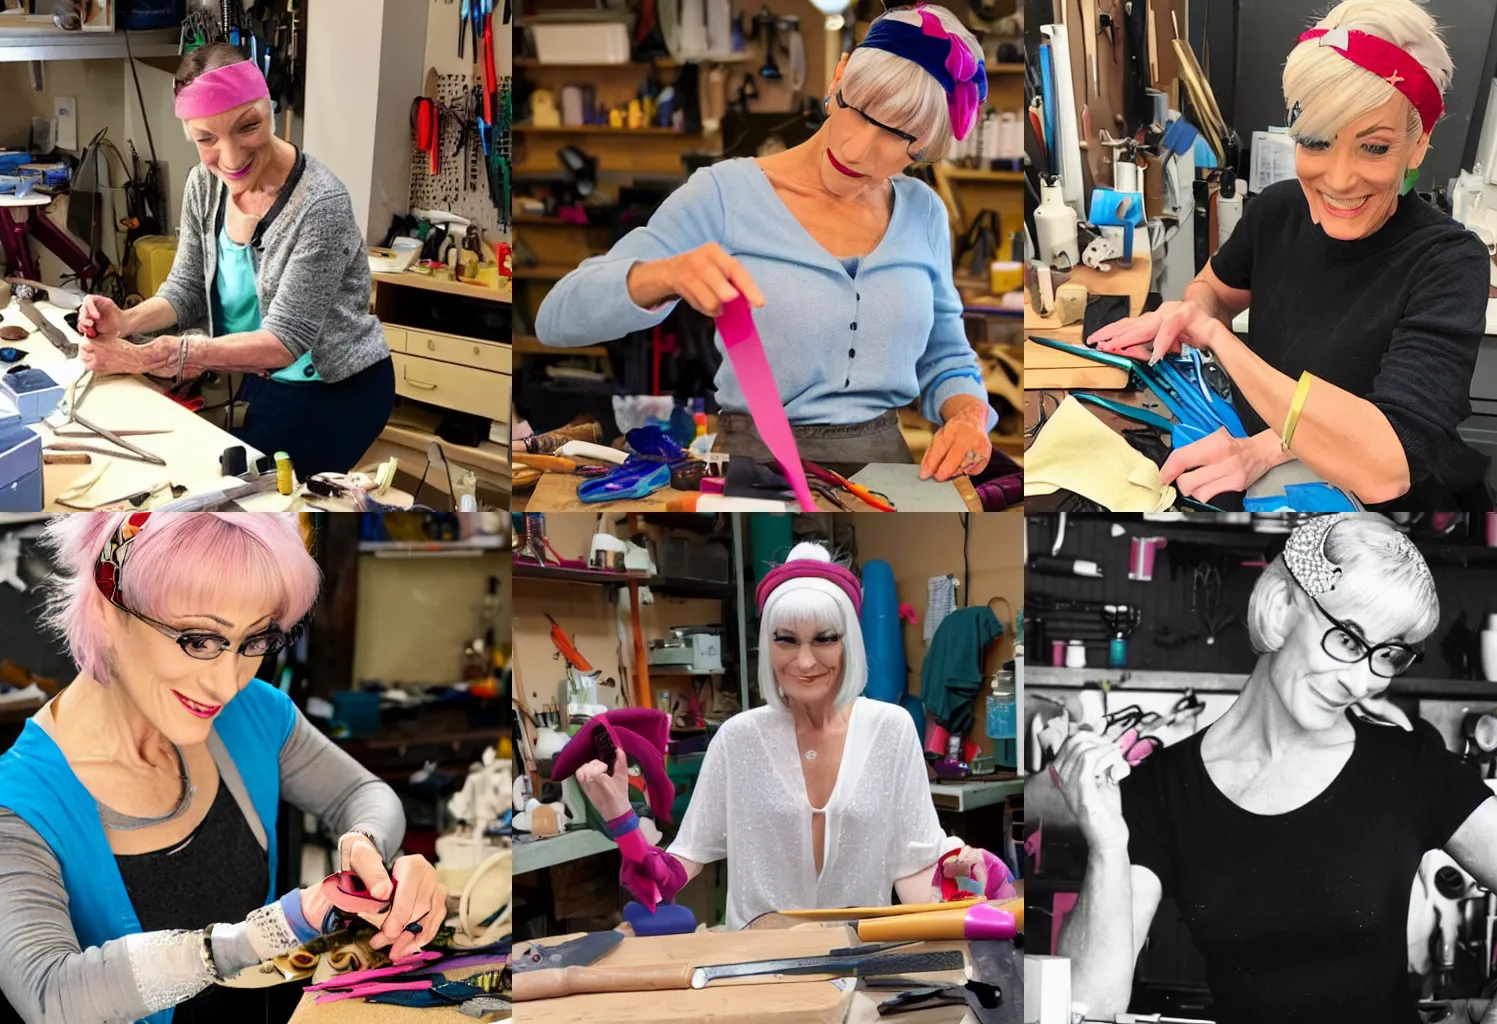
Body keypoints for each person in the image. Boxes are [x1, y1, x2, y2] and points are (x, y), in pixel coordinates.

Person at [1053, 514, 1497, 1024]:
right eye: (1349, 640)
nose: (1361, 681)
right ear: (1283, 607)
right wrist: (1107, 847)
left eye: (1387, 655)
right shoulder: (1164, 789)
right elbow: (1089, 1005)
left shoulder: (1411, 770)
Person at [0, 513, 448, 1024]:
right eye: (197, 640)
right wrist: (268, 932)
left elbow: (361, 794)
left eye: (254, 642)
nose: (226, 683)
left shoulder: (255, 713)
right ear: (108, 608)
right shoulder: (17, 804)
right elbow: (47, 993)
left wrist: (365, 845)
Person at [536, 4, 997, 482]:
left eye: (897, 136)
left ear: (923, 149)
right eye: (858, 111)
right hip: (753, 468)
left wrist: (968, 415)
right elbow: (555, 320)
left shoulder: (923, 212)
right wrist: (664, 275)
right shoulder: (725, 194)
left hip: (889, 474)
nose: (857, 149)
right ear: (838, 77)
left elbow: (946, 356)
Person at [1086, 0, 1489, 511]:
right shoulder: (1277, 210)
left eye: (1375, 147)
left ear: (1418, 145)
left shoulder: (1449, 263)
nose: (1339, 179)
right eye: (1317, 142)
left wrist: (1220, 348)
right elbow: (1212, 290)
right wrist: (1194, 312)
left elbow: (1387, 466)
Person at [572, 543, 1013, 928]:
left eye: (823, 639)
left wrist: (971, 877)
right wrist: (621, 817)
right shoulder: (737, 739)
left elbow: (915, 872)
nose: (804, 662)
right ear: (769, 646)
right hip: (756, 971)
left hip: (858, 963)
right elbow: (665, 881)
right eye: (787, 640)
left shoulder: (891, 729)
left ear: (849, 643)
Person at [75, 44, 396, 478]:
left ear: (271, 110)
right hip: (264, 378)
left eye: (248, 127)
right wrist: (126, 322)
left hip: (337, 388)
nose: (230, 158)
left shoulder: (321, 204)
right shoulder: (203, 185)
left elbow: (285, 341)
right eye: (206, 139)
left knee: (259, 501)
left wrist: (164, 354)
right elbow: (186, 287)